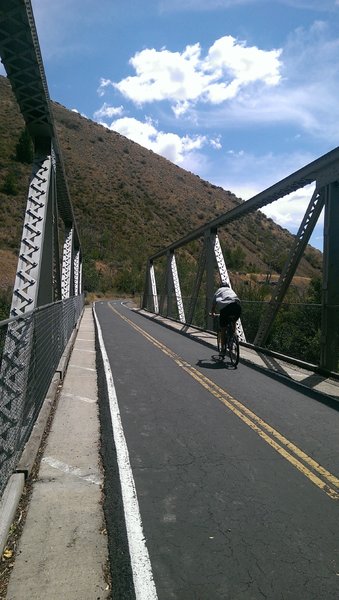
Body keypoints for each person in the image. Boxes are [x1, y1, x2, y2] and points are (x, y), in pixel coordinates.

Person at [211, 282, 241, 353]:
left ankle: (223, 349)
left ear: (220, 286)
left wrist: (212, 313)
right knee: (233, 321)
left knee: (223, 328)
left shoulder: (218, 291)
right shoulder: (231, 291)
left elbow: (213, 305)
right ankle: (233, 337)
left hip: (226, 309)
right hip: (237, 307)